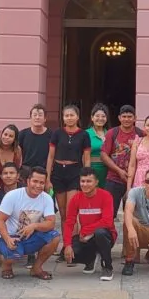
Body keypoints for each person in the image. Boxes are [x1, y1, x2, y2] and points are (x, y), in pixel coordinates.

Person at [0, 166, 61, 280]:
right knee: (13, 256)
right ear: (28, 181)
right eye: (35, 181)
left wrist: (35, 225)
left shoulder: (46, 198)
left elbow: (51, 223)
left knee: (54, 237)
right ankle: (6, 266)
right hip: (11, 235)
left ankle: (36, 268)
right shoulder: (13, 196)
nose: (38, 185)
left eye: (42, 182)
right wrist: (7, 238)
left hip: (31, 235)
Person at [47, 104, 91, 263]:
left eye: (72, 115)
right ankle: (66, 246)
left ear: (77, 117)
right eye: (66, 115)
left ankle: (74, 247)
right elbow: (50, 157)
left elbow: (86, 158)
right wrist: (47, 178)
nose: (69, 118)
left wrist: (87, 178)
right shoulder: (57, 133)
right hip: (58, 173)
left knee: (73, 213)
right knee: (64, 214)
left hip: (75, 173)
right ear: (63, 117)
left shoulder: (84, 135)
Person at [63, 167, 116, 281]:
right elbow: (69, 223)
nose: (85, 184)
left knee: (100, 232)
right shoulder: (76, 198)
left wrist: (86, 230)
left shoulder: (106, 196)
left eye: (89, 181)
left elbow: (107, 221)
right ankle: (90, 259)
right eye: (82, 181)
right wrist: (67, 245)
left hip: (105, 235)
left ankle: (107, 266)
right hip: (87, 238)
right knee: (69, 253)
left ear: (96, 182)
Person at [100, 105, 143, 213]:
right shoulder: (112, 133)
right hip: (113, 179)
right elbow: (103, 155)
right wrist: (119, 171)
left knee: (132, 216)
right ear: (119, 118)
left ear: (135, 118)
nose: (127, 119)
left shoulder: (140, 133)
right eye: (124, 116)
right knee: (108, 213)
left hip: (134, 181)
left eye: (130, 117)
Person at [17, 104, 50, 172]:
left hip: (43, 171)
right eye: (34, 115)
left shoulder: (51, 135)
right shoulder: (22, 134)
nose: (37, 117)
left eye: (40, 115)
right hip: (25, 171)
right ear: (30, 118)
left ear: (45, 119)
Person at [87, 104, 110, 185]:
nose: (100, 118)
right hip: (91, 171)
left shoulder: (110, 134)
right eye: (97, 116)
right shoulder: (86, 134)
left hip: (108, 172)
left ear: (106, 118)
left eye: (103, 116)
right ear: (92, 118)